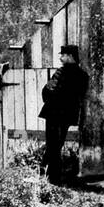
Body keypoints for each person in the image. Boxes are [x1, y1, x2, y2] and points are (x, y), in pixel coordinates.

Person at [39, 44, 89, 185]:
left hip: (54, 113)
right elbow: (80, 95)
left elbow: (47, 91)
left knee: (52, 144)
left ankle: (50, 176)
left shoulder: (60, 73)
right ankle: (47, 174)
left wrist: (52, 99)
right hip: (67, 115)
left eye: (63, 55)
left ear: (70, 57)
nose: (61, 58)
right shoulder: (82, 75)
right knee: (57, 144)